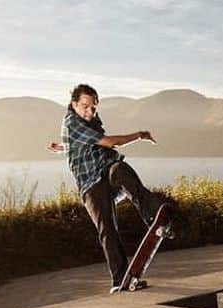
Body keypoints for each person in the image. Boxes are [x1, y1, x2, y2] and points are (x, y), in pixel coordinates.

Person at [48, 83, 175, 292]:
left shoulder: (89, 121)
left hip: (106, 170)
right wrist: (139, 134)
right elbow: (108, 142)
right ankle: (119, 278)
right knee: (107, 229)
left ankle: (153, 217)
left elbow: (83, 142)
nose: (90, 112)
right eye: (85, 107)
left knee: (120, 170)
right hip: (90, 184)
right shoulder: (71, 121)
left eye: (93, 107)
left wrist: (63, 146)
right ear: (74, 104)